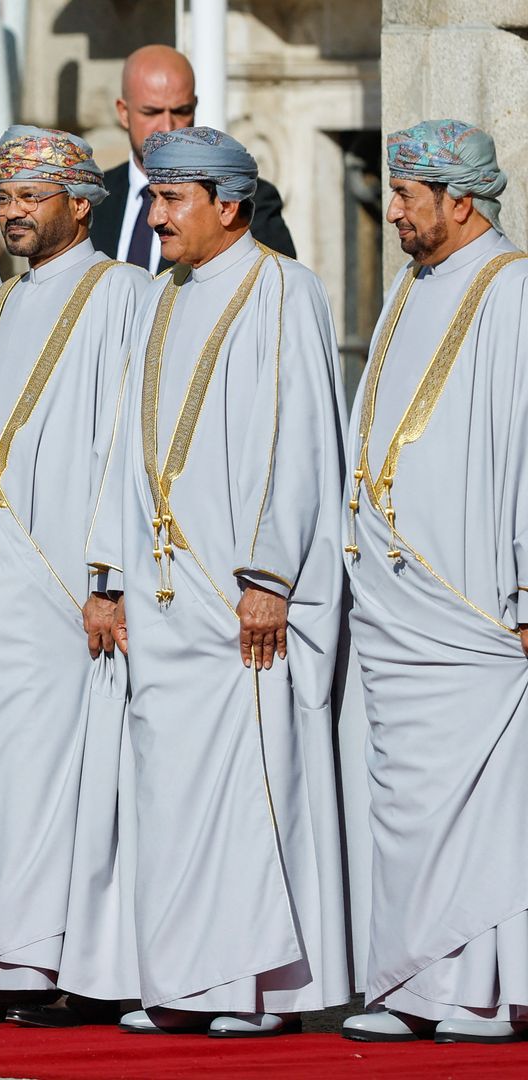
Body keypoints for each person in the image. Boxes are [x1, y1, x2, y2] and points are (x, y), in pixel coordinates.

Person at [87, 126, 349, 1037]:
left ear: (228, 205)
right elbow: (126, 443)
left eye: (170, 201)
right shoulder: (164, 296)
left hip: (241, 597)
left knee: (246, 787)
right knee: (169, 792)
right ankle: (184, 983)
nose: (151, 216)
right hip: (162, 593)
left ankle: (255, 989)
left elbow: (300, 441)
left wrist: (270, 574)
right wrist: (109, 574)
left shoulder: (286, 289)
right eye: (151, 198)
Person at [0, 127, 149, 1028]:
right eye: (4, 199)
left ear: (80, 204)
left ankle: (47, 962)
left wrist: (109, 573)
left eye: (30, 198)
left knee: (53, 770)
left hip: (65, 580)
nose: (12, 214)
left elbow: (126, 447)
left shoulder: (121, 293)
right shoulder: (0, 300)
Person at [339, 120, 528, 1046]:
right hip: (393, 602)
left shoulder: (514, 289)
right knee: (406, 805)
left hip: (476, 603)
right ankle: (413, 984)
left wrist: (526, 591)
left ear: (461, 200)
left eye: (409, 195)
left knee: (482, 802)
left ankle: (483, 993)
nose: (396, 210)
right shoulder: (408, 290)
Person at [89, 45, 294, 271]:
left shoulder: (244, 200)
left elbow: (277, 288)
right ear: (123, 113)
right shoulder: (89, 200)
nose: (167, 127)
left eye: (181, 111)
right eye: (152, 112)